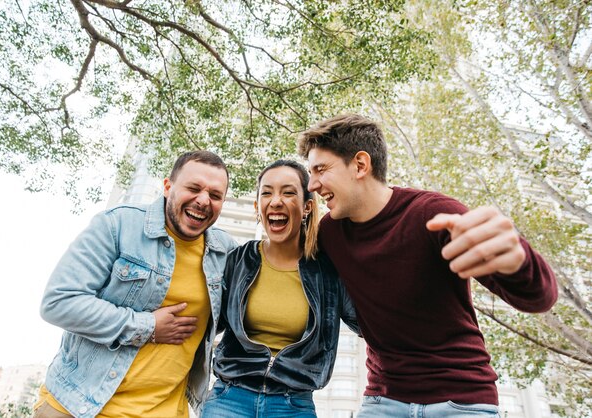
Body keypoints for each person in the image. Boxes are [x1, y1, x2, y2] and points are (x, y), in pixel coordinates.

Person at [297, 114, 558, 418]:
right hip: (384, 400)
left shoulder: (434, 215)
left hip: (461, 399)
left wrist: (520, 261)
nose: (313, 184)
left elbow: (539, 298)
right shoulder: (330, 232)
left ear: (360, 165)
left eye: (321, 170)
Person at [34, 150, 238, 418]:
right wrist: (148, 326)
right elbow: (59, 302)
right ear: (168, 186)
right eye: (194, 188)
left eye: (215, 195)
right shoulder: (117, 225)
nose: (203, 200)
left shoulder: (226, 252)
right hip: (77, 406)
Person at [200, 160, 360, 418]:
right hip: (229, 398)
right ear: (257, 207)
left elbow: (371, 325)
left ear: (307, 207)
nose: (275, 201)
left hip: (293, 404)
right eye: (266, 192)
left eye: (288, 192)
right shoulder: (238, 260)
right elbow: (204, 322)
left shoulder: (328, 274)